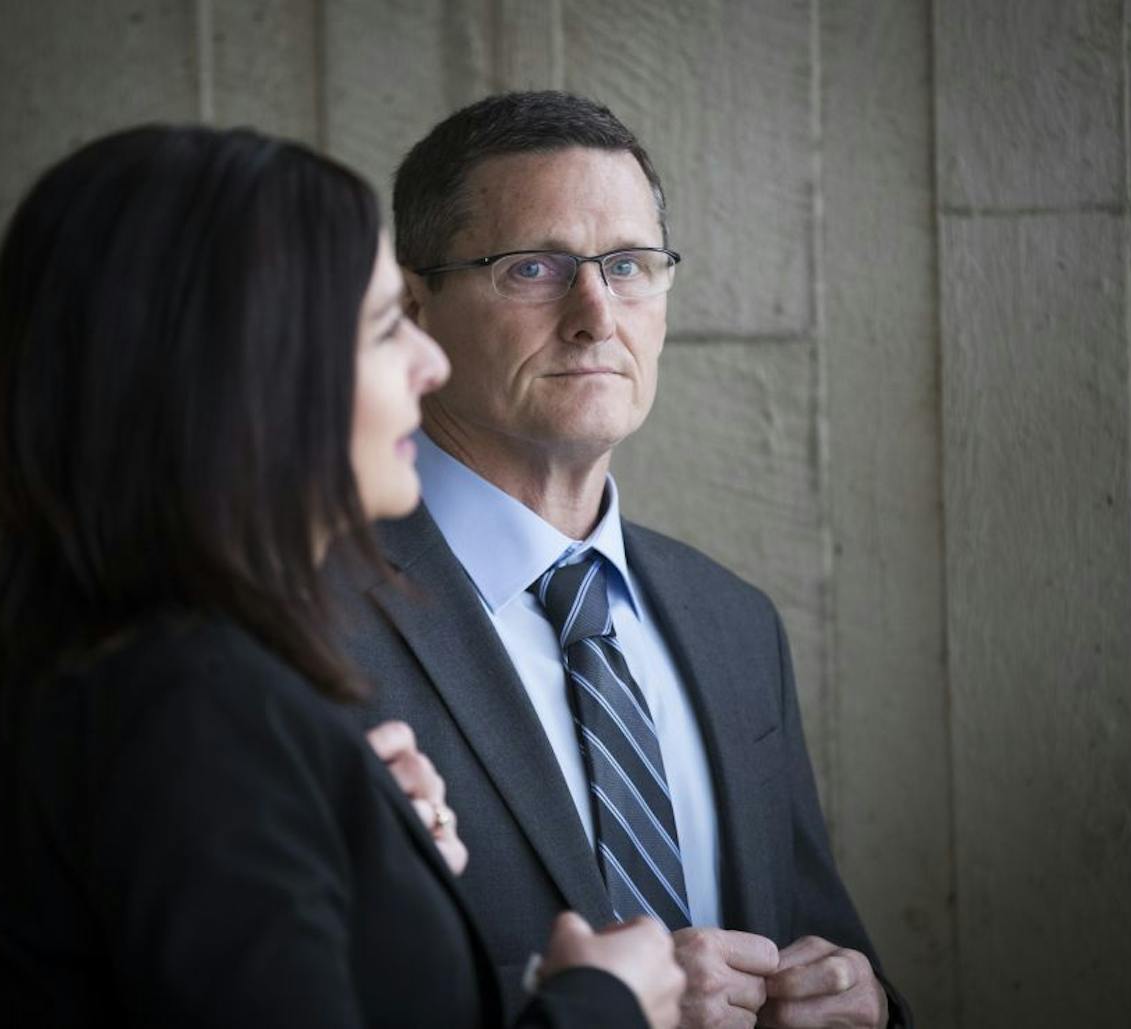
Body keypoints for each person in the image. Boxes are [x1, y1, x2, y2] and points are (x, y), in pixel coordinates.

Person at [0, 123, 685, 1028]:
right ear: (243, 378)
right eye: (381, 328)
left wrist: (346, 846)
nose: (430, 362)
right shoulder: (195, 710)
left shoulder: (131, 682)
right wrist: (604, 1005)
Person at [329, 92, 909, 1028]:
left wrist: (868, 1006)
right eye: (532, 268)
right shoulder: (303, 614)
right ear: (414, 302)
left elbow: (821, 934)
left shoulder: (734, 622)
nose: (597, 315)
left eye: (630, 266)